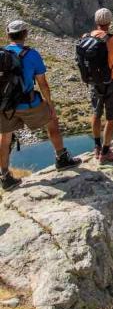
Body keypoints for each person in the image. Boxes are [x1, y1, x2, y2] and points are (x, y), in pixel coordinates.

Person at [0, 20, 80, 191]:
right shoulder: (32, 54)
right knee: (52, 121)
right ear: (25, 34)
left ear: (8, 35)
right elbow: (42, 83)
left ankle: (5, 176)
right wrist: (50, 104)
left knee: (5, 138)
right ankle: (62, 158)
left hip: (6, 106)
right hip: (28, 103)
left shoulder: (2, 53)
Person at [88, 8, 113, 164]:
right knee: (111, 118)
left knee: (96, 114)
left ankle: (96, 147)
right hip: (112, 81)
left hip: (94, 82)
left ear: (96, 22)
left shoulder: (86, 37)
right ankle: (105, 153)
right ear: (109, 22)